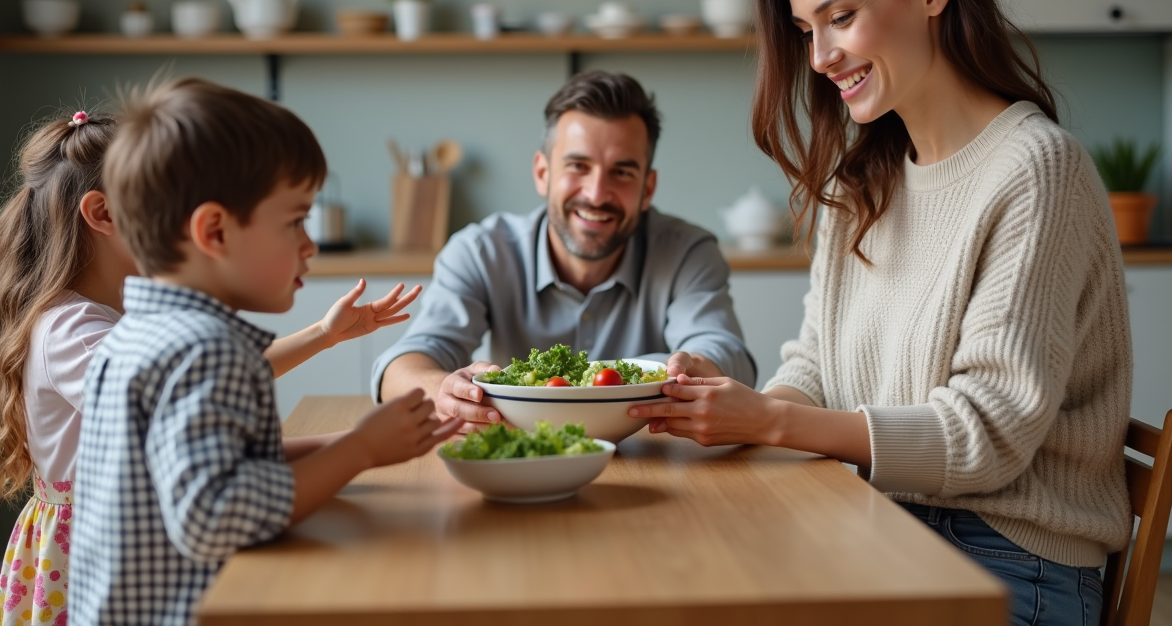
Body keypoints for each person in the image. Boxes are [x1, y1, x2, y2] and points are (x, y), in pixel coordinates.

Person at [629, 0, 1131, 626]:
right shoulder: (864, 178)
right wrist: (733, 409)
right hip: (877, 523)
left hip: (1007, 561)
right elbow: (817, 367)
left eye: (840, 16)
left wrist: (768, 425)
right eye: (806, 31)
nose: (822, 56)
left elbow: (986, 437)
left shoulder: (1035, 170)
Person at [0, 108, 422, 626]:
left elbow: (202, 440)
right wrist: (358, 448)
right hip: (98, 560)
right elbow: (209, 481)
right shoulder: (75, 333)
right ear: (104, 215)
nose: (204, 226)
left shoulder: (126, 321)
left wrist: (335, 374)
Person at [372, 70, 756, 430]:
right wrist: (443, 392)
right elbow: (407, 361)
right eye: (578, 165)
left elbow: (725, 353)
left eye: (622, 172)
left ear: (648, 188)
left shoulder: (688, 252)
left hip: (653, 452)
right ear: (543, 173)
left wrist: (690, 368)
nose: (596, 194)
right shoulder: (479, 252)